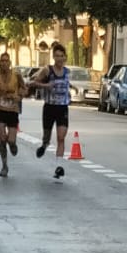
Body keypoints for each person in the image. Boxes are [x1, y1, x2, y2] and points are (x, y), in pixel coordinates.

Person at [33, 40, 73, 178]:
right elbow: (34, 82)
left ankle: (59, 166)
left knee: (61, 137)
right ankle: (44, 146)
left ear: (65, 57)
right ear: (53, 57)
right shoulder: (47, 70)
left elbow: (66, 84)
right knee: (47, 137)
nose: (59, 58)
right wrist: (46, 86)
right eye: (56, 56)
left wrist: (69, 92)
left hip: (62, 108)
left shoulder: (68, 72)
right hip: (49, 107)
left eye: (61, 56)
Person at [0, 52, 23, 176]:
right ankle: (4, 166)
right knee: (2, 139)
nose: (4, 63)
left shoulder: (17, 75)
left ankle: (13, 144)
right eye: (2, 61)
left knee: (10, 140)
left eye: (6, 61)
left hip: (12, 111)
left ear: (9, 63)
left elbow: (24, 89)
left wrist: (19, 97)